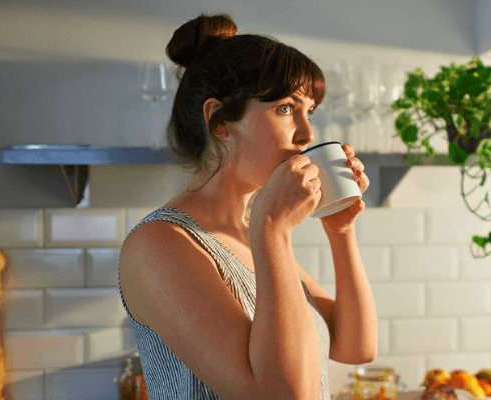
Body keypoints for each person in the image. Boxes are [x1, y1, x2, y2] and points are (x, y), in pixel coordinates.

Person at [118, 13, 377, 400]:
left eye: (310, 112)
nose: (307, 134)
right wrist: (272, 230)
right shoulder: (159, 244)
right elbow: (281, 394)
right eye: (286, 109)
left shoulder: (248, 234)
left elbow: (355, 347)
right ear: (220, 121)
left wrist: (340, 230)